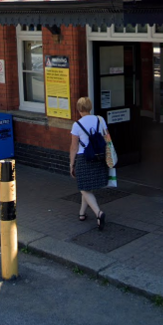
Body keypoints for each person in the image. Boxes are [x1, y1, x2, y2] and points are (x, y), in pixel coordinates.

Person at [69, 96, 112, 230]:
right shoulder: (100, 119)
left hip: (84, 159)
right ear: (90, 107)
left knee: (83, 187)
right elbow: (108, 138)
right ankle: (82, 213)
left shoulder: (77, 125)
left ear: (78, 109)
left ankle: (98, 213)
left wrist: (71, 164)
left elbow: (74, 147)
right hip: (99, 157)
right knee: (86, 187)